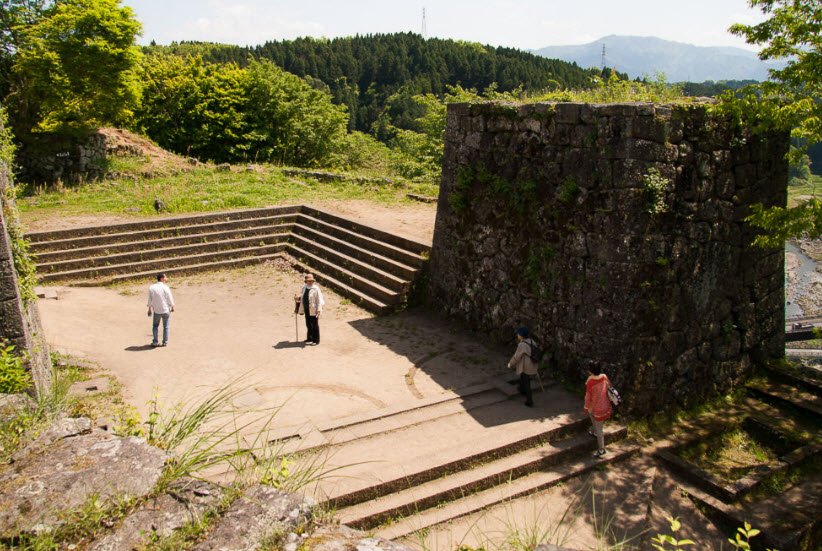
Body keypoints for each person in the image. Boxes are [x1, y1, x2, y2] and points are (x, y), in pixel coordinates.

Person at [583, 360, 613, 457]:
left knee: (599, 429)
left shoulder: (590, 381)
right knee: (596, 422)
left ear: (590, 370)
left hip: (596, 408)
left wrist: (585, 407)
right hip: (605, 405)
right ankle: (594, 430)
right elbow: (610, 386)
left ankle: (601, 449)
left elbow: (587, 397)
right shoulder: (604, 377)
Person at [507, 326, 538, 407]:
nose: (517, 335)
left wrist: (510, 364)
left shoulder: (522, 344)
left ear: (521, 335)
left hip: (526, 366)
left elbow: (516, 357)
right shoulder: (532, 341)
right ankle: (522, 390)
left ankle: (529, 401)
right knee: (523, 378)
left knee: (526, 382)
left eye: (518, 334)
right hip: (532, 364)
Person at [294, 273, 325, 346]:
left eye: (311, 281)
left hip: (314, 309)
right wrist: (297, 298)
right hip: (306, 309)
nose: (310, 282)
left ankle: (316, 340)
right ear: (306, 281)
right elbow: (302, 296)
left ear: (313, 281)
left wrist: (319, 309)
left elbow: (319, 299)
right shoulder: (304, 287)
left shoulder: (316, 288)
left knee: (314, 325)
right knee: (308, 324)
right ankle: (310, 338)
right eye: (308, 281)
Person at [147, 272, 175, 347]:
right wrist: (172, 306)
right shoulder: (166, 287)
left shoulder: (152, 287)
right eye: (165, 277)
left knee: (155, 326)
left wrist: (149, 308)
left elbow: (150, 299)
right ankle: (165, 342)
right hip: (165, 310)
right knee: (166, 326)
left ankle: (155, 341)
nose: (166, 278)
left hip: (156, 310)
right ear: (162, 278)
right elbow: (169, 298)